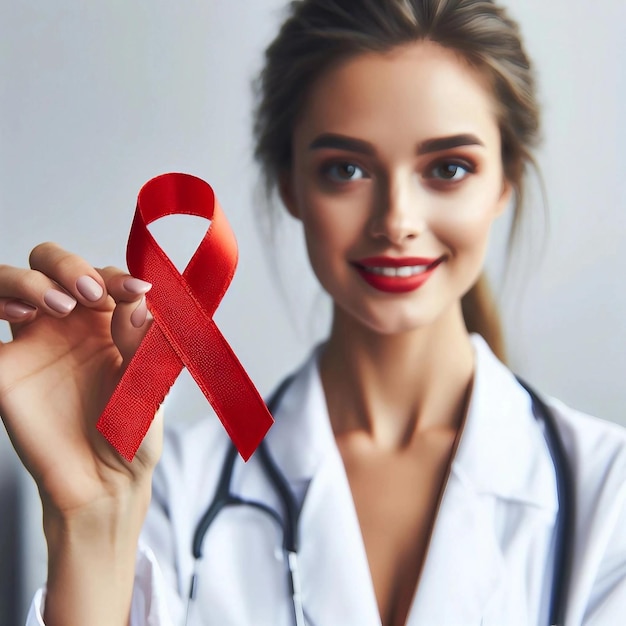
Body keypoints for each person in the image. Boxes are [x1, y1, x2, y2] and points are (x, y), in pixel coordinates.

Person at [1, 0, 625, 624]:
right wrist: (94, 515)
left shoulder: (608, 494)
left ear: (505, 182)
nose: (398, 221)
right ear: (291, 185)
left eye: (449, 168)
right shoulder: (169, 492)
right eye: (346, 169)